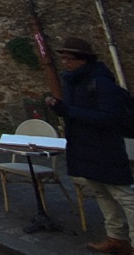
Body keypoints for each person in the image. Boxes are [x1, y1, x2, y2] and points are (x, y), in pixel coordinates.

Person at [46, 37, 134, 254]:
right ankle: (116, 237)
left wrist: (69, 112)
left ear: (82, 60)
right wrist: (60, 107)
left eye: (69, 58)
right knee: (101, 193)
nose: (65, 62)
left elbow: (108, 118)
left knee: (123, 195)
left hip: (105, 147)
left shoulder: (101, 82)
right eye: (64, 58)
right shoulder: (73, 82)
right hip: (83, 145)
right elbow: (75, 110)